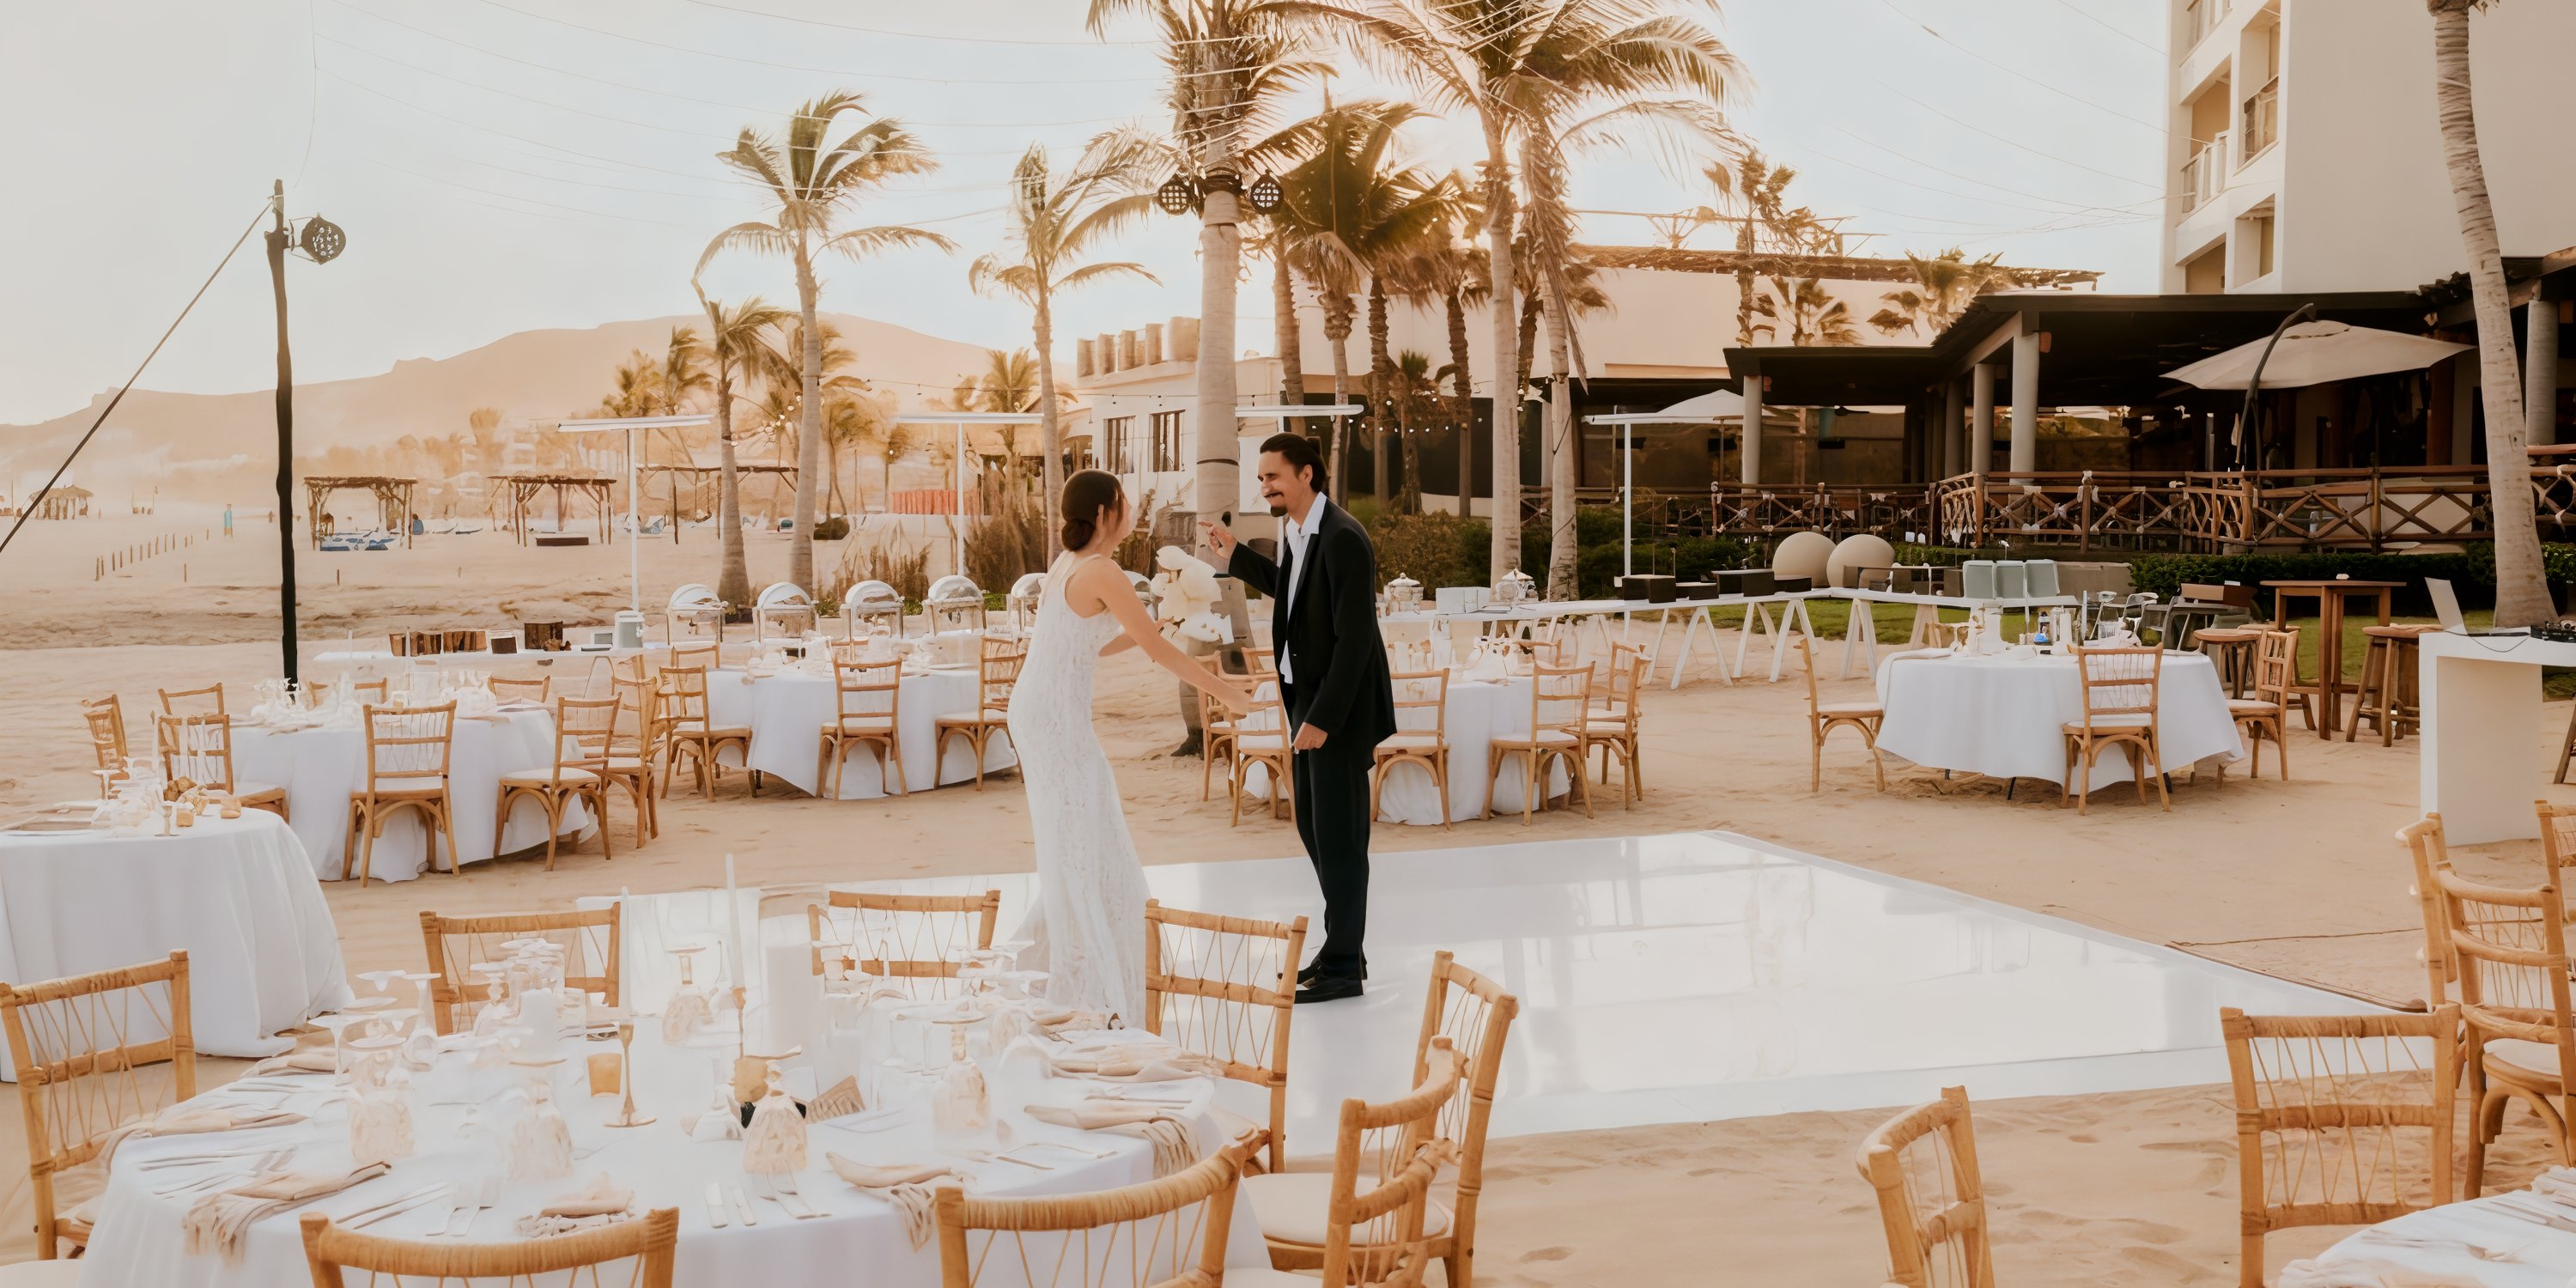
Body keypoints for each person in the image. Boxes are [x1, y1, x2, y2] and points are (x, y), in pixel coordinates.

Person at [1010, 470, 1255, 1021]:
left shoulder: (1067, 566)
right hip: (1054, 720)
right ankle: (1084, 980)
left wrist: (1161, 620)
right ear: (1103, 514)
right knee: (1085, 837)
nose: (1129, 512)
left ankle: (1063, 963)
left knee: (1077, 836)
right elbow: (1155, 654)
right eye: (1122, 502)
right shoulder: (1101, 569)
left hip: (1039, 711)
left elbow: (1095, 646)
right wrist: (1224, 692)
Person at [1202, 433, 1396, 1004]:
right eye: (1262, 478)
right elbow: (1290, 592)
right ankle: (1344, 948)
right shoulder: (1298, 530)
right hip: (1305, 702)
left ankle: (1343, 968)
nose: (1265, 487)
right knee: (1314, 828)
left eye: (1273, 477)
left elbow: (1356, 640)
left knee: (1338, 839)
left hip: (1333, 711)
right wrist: (1236, 556)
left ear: (1308, 474)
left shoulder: (1343, 539)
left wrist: (1323, 718)